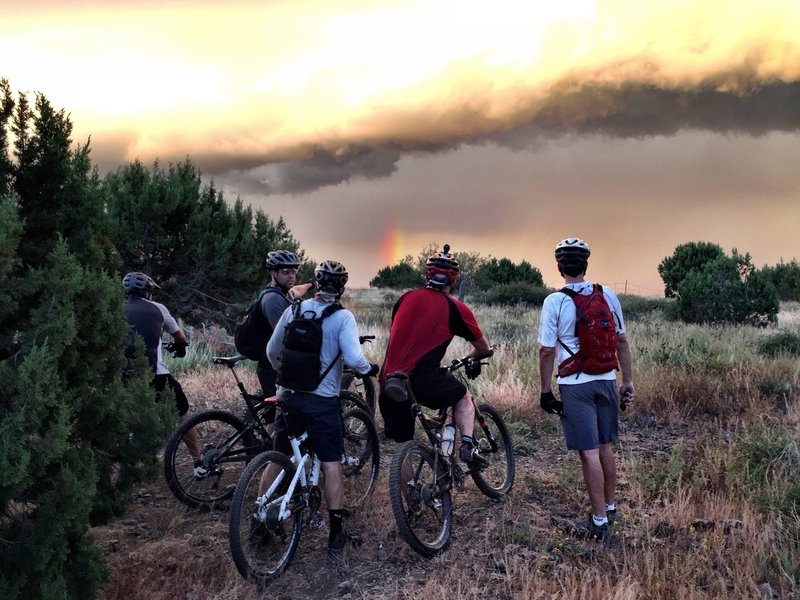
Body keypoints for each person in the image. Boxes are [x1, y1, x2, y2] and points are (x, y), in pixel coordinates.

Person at [266, 260, 378, 556]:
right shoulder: (343, 317)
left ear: (315, 282)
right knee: (331, 463)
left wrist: (285, 374)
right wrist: (370, 369)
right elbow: (354, 359)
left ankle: (260, 517)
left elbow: (271, 351)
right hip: (321, 401)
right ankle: (336, 535)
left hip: (288, 396)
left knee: (278, 457)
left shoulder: (294, 309)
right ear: (341, 287)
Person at [537, 238, 635, 540]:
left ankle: (599, 522)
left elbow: (546, 352)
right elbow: (621, 341)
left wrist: (545, 391)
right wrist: (627, 381)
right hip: (605, 379)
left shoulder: (554, 302)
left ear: (559, 267)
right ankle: (610, 506)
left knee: (588, 453)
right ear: (586, 265)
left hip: (574, 385)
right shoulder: (607, 295)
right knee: (605, 446)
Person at [378, 245, 492, 466]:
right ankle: (467, 445)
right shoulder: (456, 308)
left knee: (403, 449)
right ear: (454, 280)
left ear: (426, 275)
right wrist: (471, 358)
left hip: (390, 381)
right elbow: (483, 348)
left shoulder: (405, 298)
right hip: (422, 380)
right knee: (462, 396)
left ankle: (410, 499)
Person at [122, 272, 203, 474]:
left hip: (123, 375)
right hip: (156, 375)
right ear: (147, 293)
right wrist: (180, 347)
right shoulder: (158, 308)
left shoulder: (113, 309)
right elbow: (179, 335)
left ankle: (132, 466)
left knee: (130, 416)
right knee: (184, 414)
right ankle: (198, 462)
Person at [255, 250, 314, 401]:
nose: (291, 276)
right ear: (274, 273)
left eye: (294, 271)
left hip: (278, 360)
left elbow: (296, 291)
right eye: (286, 272)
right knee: (278, 416)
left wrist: (311, 285)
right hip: (271, 365)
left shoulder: (283, 292)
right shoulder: (273, 300)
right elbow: (286, 337)